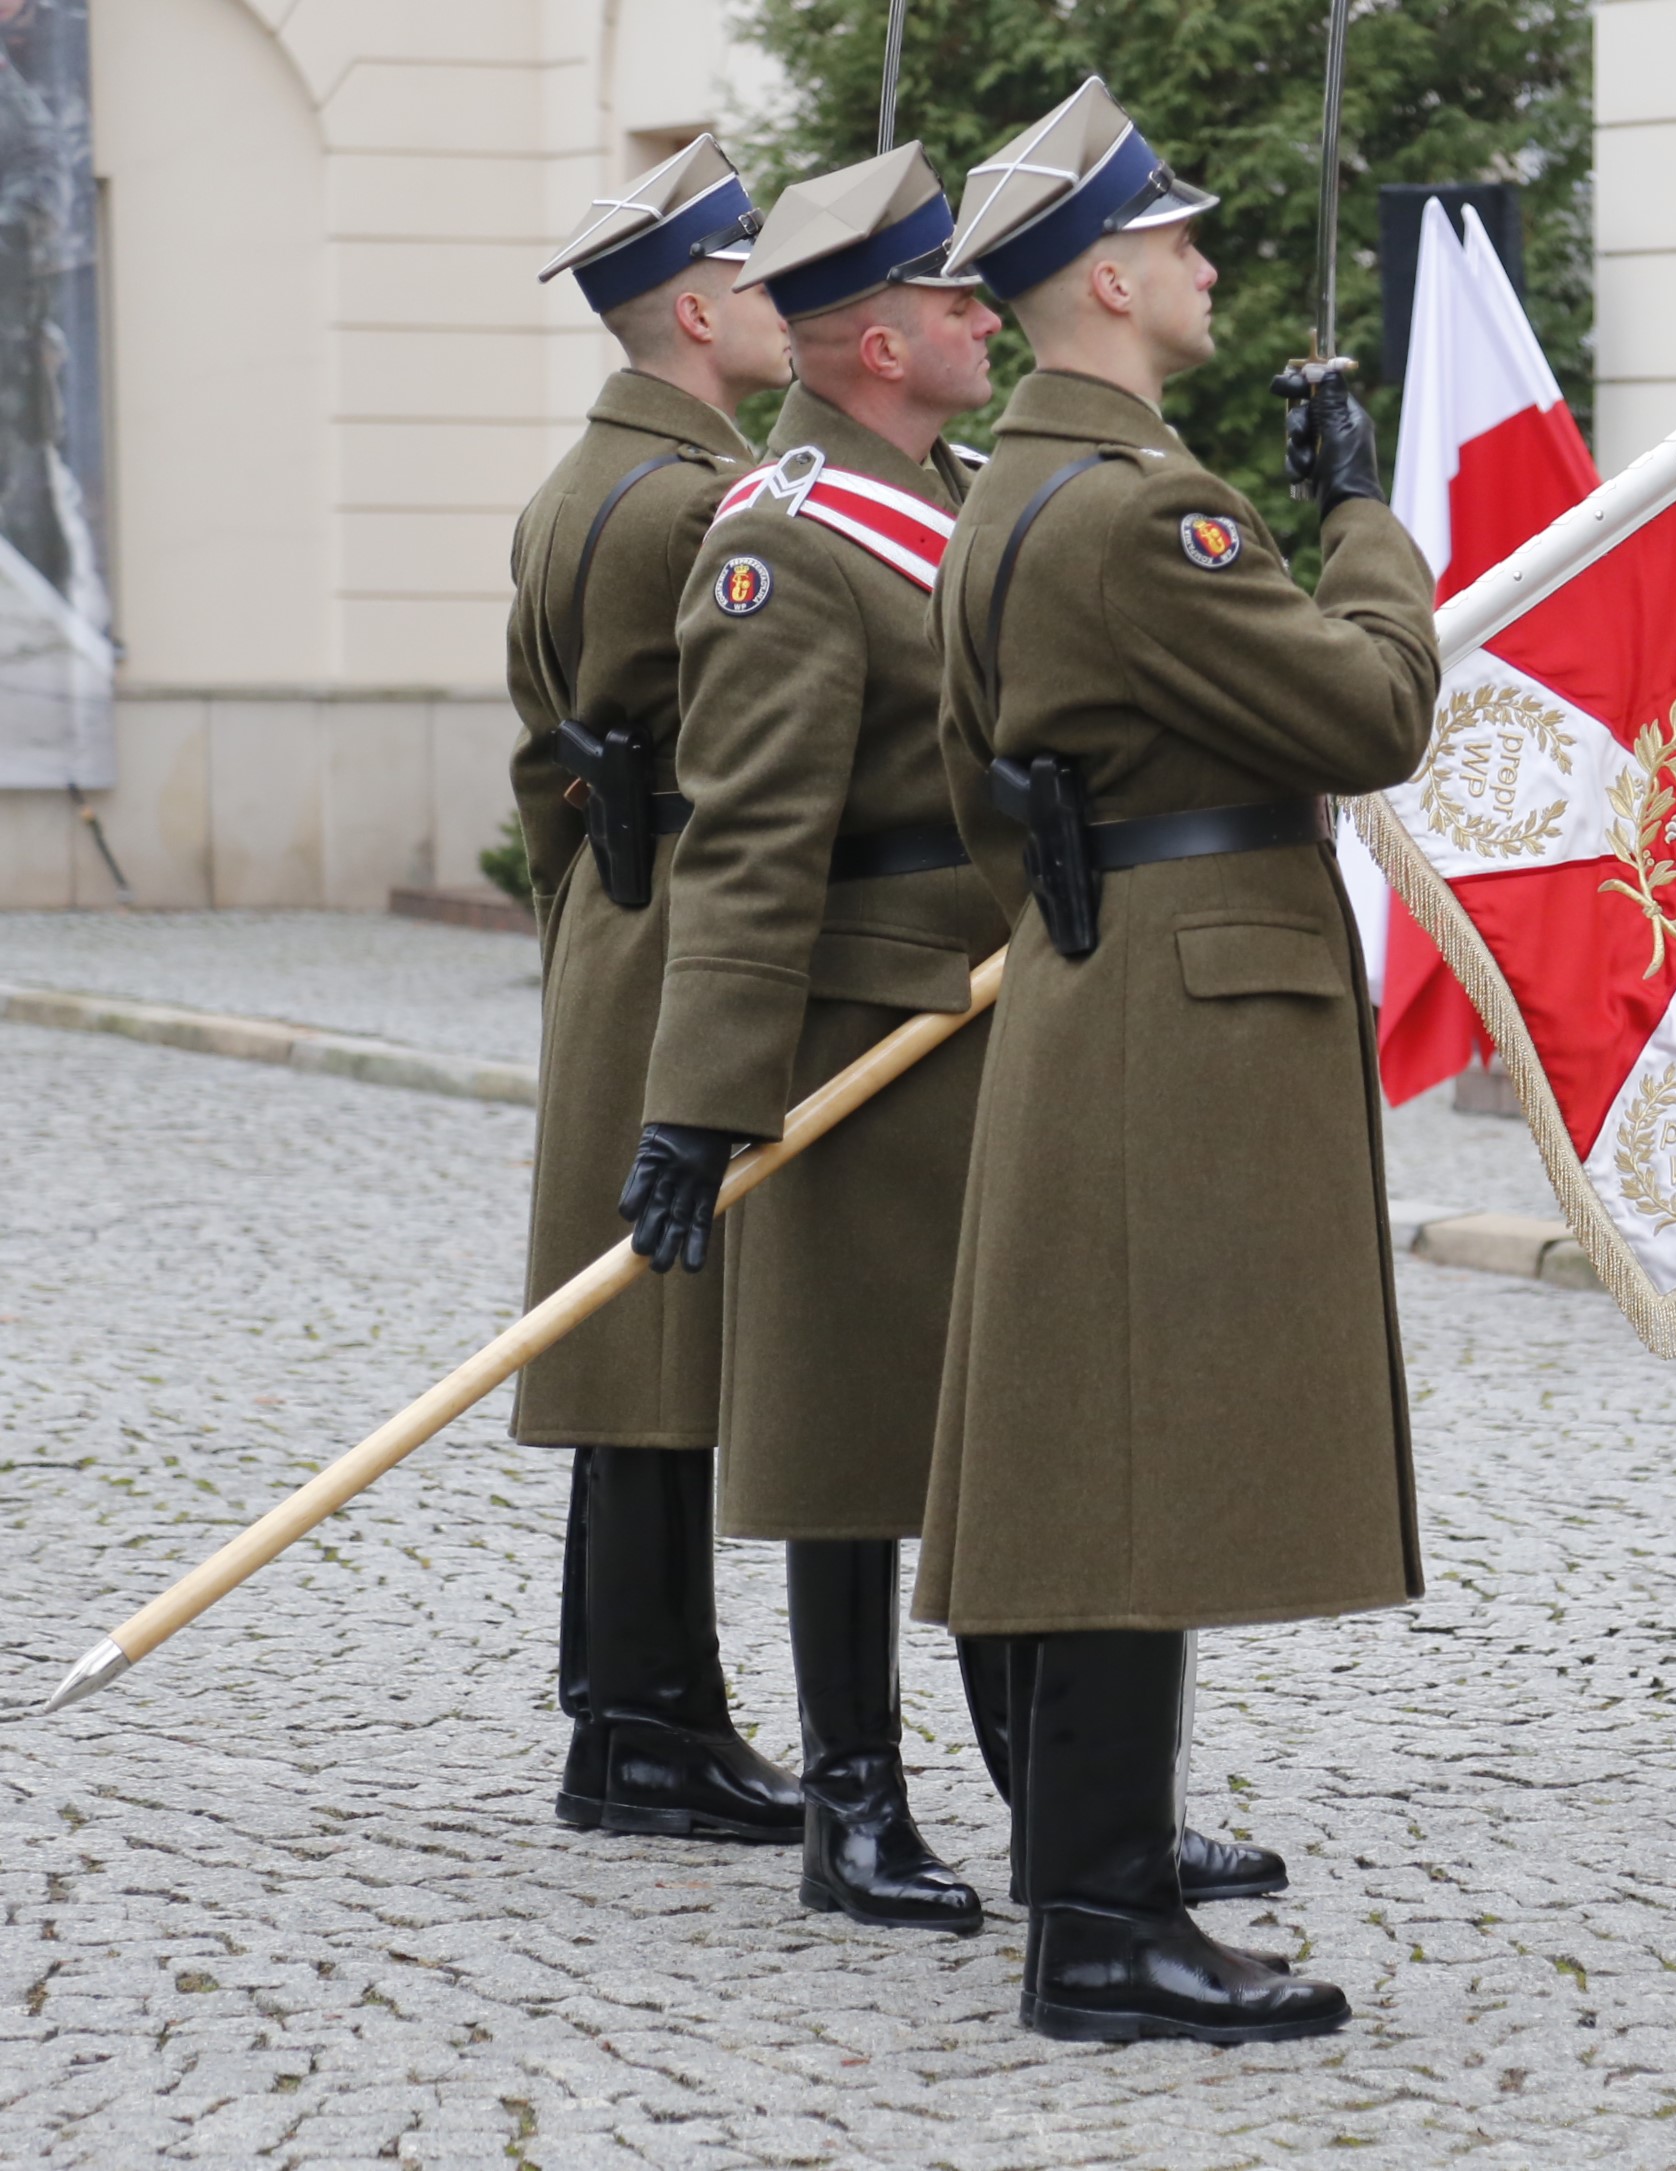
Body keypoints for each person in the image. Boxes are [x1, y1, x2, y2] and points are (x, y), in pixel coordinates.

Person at [921, 77, 1438, 2043]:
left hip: (1093, 978)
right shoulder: (1149, 510)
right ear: (1111, 281)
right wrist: (1361, 516)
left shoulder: (1007, 493)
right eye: (1181, 242)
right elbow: (1371, 711)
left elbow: (979, 792)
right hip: (1183, 1007)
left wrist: (1088, 907)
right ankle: (1105, 1927)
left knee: (1095, 1448)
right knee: (1138, 1467)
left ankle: (1097, 1891)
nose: (1210, 264)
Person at [610, 144, 1012, 1934]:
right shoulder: (780, 539)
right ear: (874, 344)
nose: (986, 315)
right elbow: (752, 843)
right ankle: (855, 1802)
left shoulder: (970, 493)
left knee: (1018, 1417)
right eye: (951, 298)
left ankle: (1067, 1795)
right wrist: (702, 1101)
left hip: (1005, 1011)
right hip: (862, 1032)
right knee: (850, 1437)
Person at [507, 135, 804, 1852]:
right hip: (697, 915)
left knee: (633, 1326)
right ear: (696, 310)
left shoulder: (575, 485)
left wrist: (593, 900)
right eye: (757, 276)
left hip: (617, 914)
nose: (782, 304)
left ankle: (630, 1704)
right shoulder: (708, 504)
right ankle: (645, 1724)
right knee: (662, 1332)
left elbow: (537, 761)